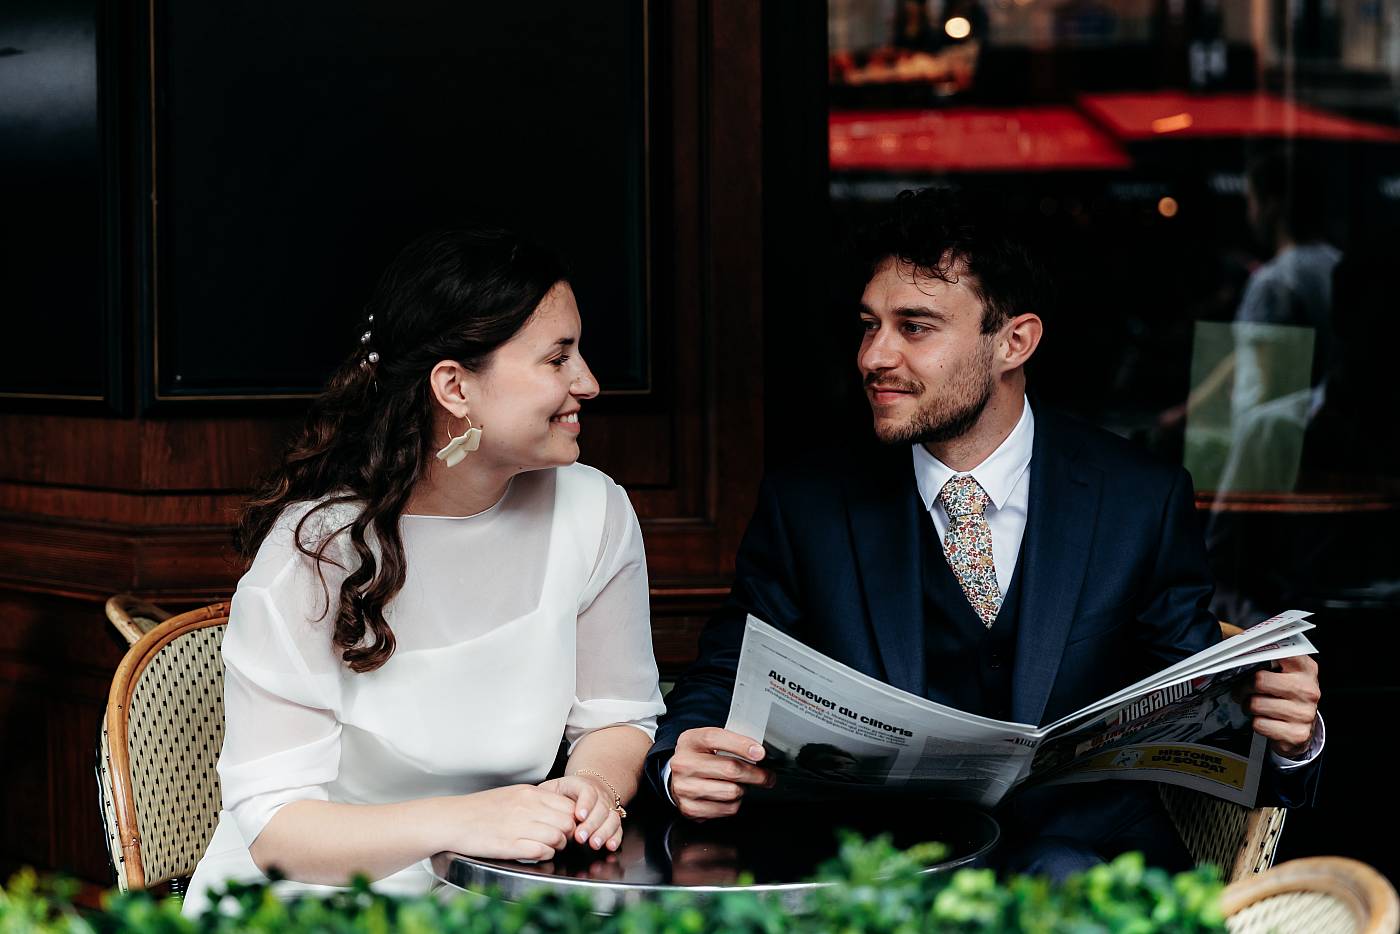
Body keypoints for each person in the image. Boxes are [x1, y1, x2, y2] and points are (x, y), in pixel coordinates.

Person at [647, 188, 1323, 879]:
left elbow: (1203, 714)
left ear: (1014, 341)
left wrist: (1289, 735)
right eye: (868, 325)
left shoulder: (1137, 499)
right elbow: (724, 677)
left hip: (1087, 877)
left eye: (914, 327)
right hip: (886, 887)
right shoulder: (809, 505)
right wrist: (680, 764)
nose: (874, 356)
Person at [184, 227, 666, 913]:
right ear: (454, 387)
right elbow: (277, 829)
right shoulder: (315, 550)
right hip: (315, 896)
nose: (587, 382)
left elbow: (618, 718)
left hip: (502, 880)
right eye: (558, 359)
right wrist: (465, 821)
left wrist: (592, 788)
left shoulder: (595, 511)